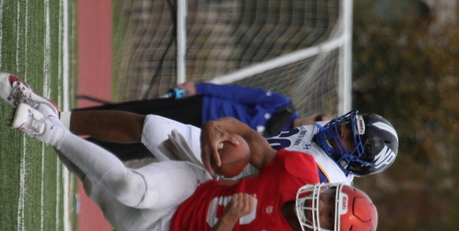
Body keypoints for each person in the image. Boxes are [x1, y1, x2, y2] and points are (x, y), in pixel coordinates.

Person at [0, 73, 378, 231]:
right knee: (138, 162)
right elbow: (254, 141)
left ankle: (49, 122)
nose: (320, 205)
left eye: (328, 215)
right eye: (331, 200)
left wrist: (228, 220)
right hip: (207, 179)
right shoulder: (302, 173)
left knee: (97, 184)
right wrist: (214, 127)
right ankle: (51, 124)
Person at [65, 81, 328, 161]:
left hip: (196, 139)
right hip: (201, 109)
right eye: (317, 119)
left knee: (140, 145)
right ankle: (70, 121)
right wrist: (198, 87)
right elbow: (238, 93)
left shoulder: (283, 146)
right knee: (138, 114)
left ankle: (77, 151)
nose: (311, 124)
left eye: (317, 128)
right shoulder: (282, 104)